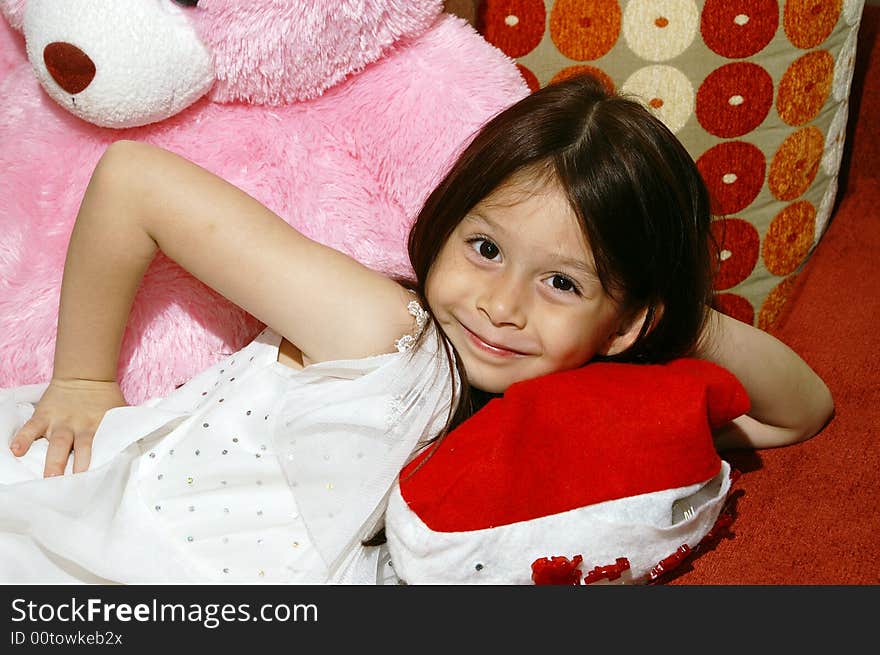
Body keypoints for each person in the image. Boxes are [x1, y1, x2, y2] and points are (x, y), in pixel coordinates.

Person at [0, 74, 833, 584]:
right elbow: (134, 178)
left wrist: (665, 326)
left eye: (560, 281)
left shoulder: (574, 410)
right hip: (96, 543)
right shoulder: (385, 329)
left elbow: (800, 409)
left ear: (622, 323)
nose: (502, 303)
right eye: (484, 247)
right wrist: (82, 378)